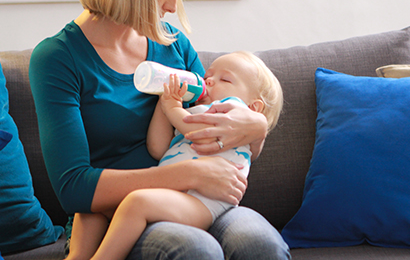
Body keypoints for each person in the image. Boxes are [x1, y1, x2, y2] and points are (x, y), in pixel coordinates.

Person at [28, 0, 291, 259]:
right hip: (124, 216)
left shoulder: (173, 44)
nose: (171, 6)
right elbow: (73, 188)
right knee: (197, 250)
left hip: (201, 199)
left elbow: (214, 108)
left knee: (261, 244)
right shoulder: (58, 58)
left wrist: (257, 125)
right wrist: (188, 172)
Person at [66, 51, 284, 260]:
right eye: (208, 76)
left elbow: (200, 135)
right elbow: (158, 148)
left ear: (253, 107)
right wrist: (164, 105)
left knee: (137, 202)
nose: (208, 81)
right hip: (179, 195)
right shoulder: (196, 114)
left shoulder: (233, 113)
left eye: (225, 80)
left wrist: (173, 110)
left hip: (203, 203)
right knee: (96, 206)